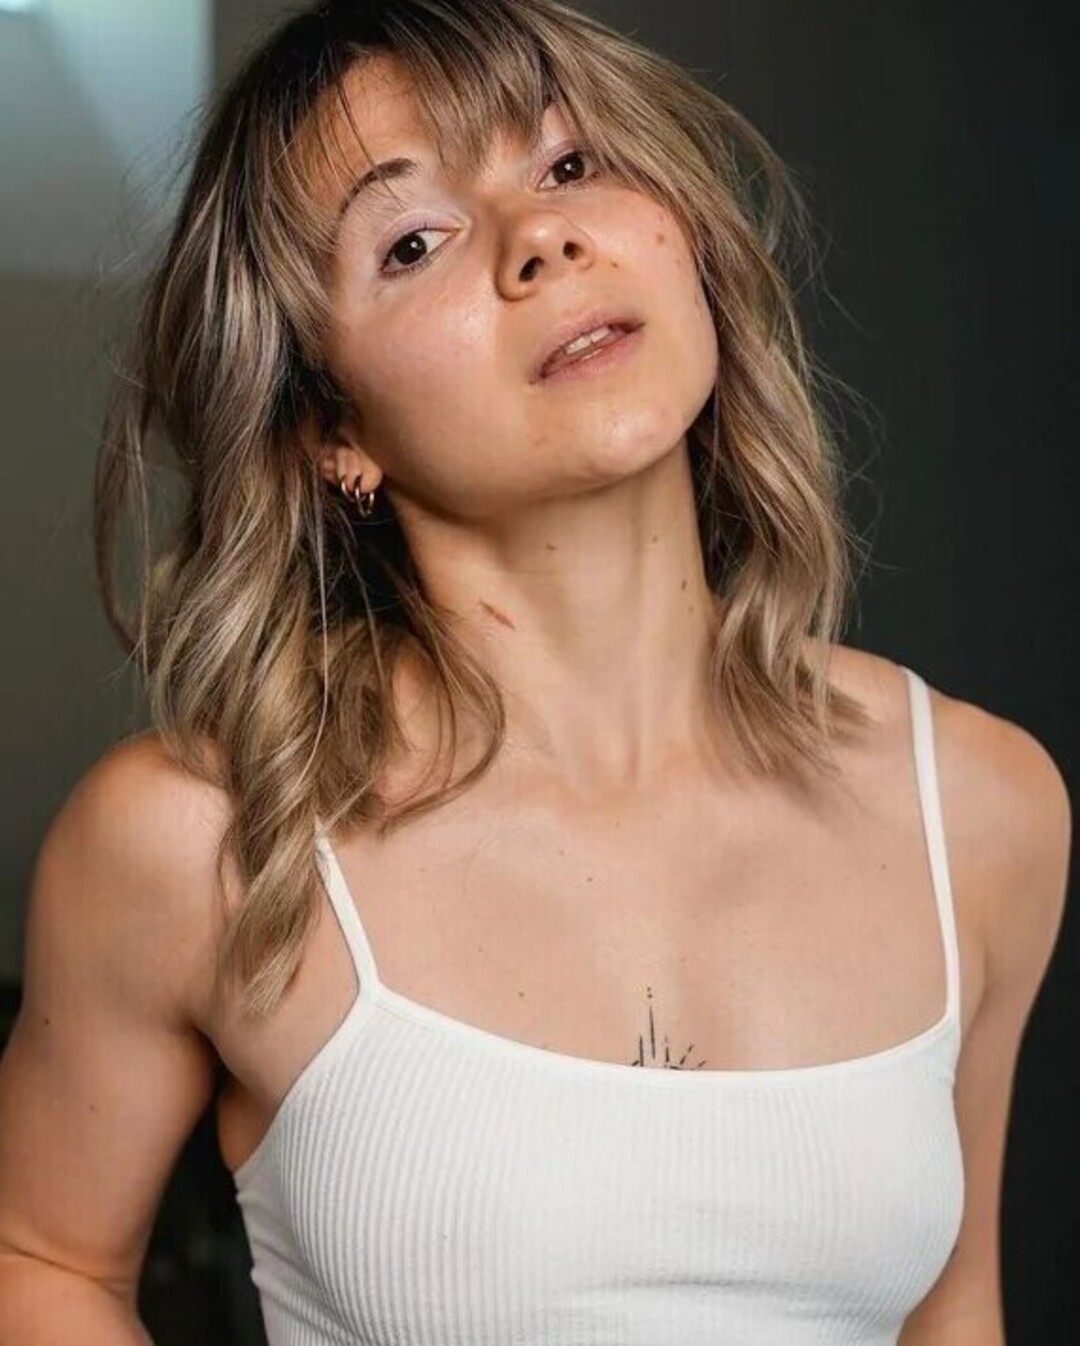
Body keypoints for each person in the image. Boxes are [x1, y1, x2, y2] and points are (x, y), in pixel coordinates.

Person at [0, 1, 1070, 1343]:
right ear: (331, 429)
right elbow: (38, 1263)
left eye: (569, 164)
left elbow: (955, 1314)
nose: (541, 239)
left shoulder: (980, 807)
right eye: (413, 240)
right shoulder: (201, 841)